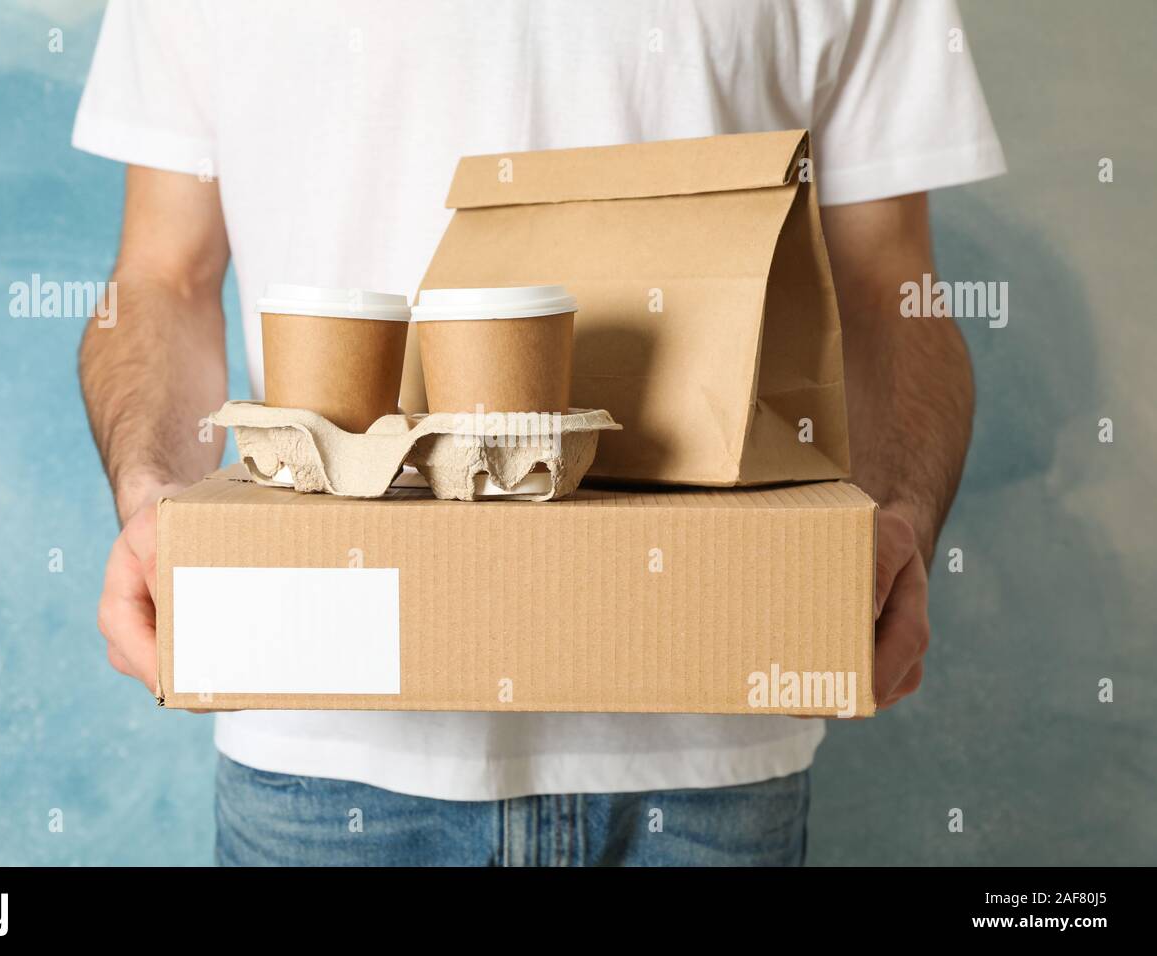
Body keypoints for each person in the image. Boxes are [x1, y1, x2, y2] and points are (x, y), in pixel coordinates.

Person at [76, 0, 1004, 866]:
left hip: (713, 721)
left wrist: (897, 527)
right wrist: (156, 496)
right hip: (323, 731)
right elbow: (164, 275)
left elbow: (893, 285)